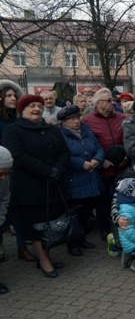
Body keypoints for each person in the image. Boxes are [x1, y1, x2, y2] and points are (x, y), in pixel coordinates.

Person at [3, 95, 71, 278]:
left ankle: (47, 256)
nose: (37, 109)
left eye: (39, 106)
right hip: (30, 188)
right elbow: (18, 156)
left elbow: (65, 151)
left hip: (53, 186)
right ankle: (44, 260)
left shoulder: (51, 129)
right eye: (32, 106)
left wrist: (58, 169)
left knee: (51, 224)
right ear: (22, 109)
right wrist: (47, 171)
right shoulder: (13, 130)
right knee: (35, 226)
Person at [82, 88, 127, 241]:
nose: (112, 103)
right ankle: (104, 229)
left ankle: (124, 228)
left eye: (112, 100)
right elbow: (86, 145)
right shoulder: (87, 121)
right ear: (98, 103)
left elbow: (128, 139)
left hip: (122, 166)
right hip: (102, 169)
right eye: (108, 101)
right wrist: (100, 161)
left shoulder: (121, 117)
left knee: (123, 200)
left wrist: (126, 156)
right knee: (102, 202)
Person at [58, 105, 103, 256]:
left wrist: (97, 159)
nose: (76, 121)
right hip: (74, 179)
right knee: (74, 214)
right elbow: (62, 156)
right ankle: (73, 244)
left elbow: (99, 148)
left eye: (77, 118)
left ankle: (82, 238)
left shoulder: (87, 131)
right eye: (72, 119)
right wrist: (80, 163)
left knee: (85, 212)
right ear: (64, 121)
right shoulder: (60, 135)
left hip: (90, 178)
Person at [0, 80, 33, 262]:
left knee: (18, 211)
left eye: (14, 95)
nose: (13, 98)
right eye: (8, 96)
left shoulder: (19, 120)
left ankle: (22, 246)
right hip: (2, 171)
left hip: (18, 171)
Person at [0, 146, 12, 293]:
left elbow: (4, 199)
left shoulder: (6, 178)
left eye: (7, 173)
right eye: (0, 173)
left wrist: (1, 218)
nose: (3, 177)